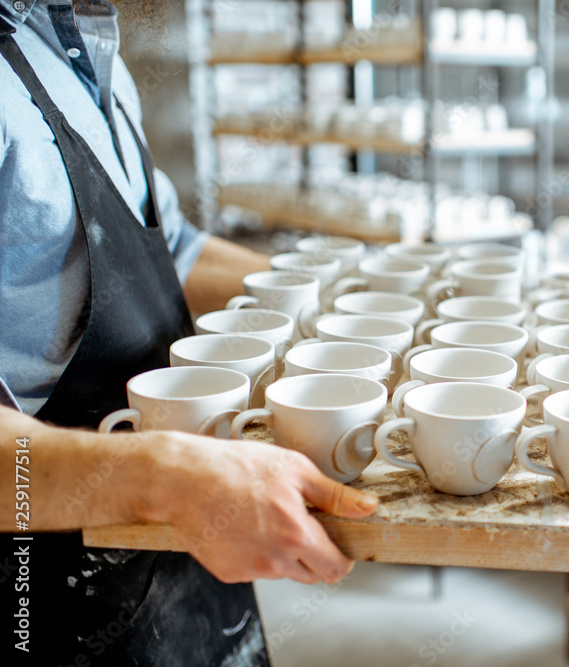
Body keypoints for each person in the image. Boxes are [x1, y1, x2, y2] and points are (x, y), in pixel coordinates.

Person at [0, 0, 379, 664]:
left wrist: (346, 296)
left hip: (183, 560)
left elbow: (174, 249)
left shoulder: (76, 43)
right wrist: (169, 475)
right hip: (43, 597)